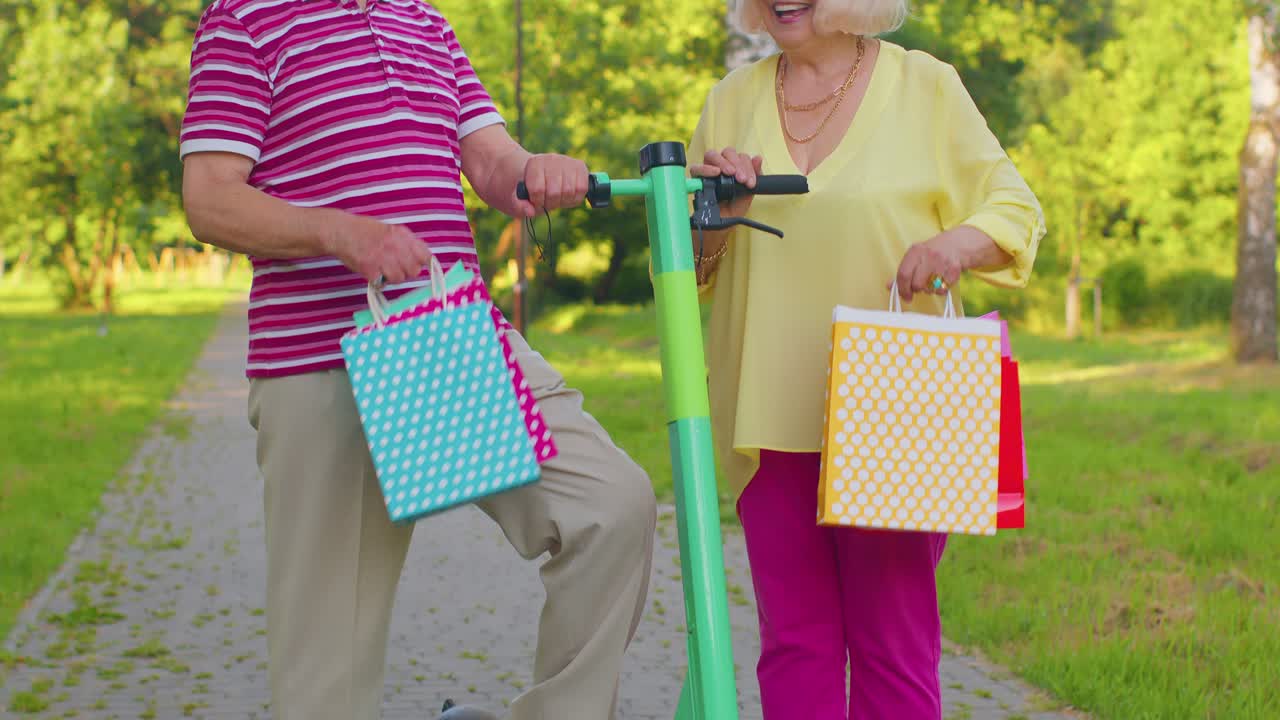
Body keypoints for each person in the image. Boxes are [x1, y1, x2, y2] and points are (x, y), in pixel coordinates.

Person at [178, 1, 657, 719]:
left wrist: (538, 171)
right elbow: (209, 199)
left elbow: (495, 165)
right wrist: (344, 235)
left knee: (611, 506)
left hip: (447, 341)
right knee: (325, 673)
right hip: (316, 360)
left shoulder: (424, 20)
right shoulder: (245, 17)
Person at [687, 1, 1045, 718]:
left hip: (896, 408)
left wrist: (953, 246)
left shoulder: (927, 87)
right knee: (793, 643)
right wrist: (716, 216)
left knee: (893, 643)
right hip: (767, 409)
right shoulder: (731, 100)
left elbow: (1014, 208)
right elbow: (696, 263)